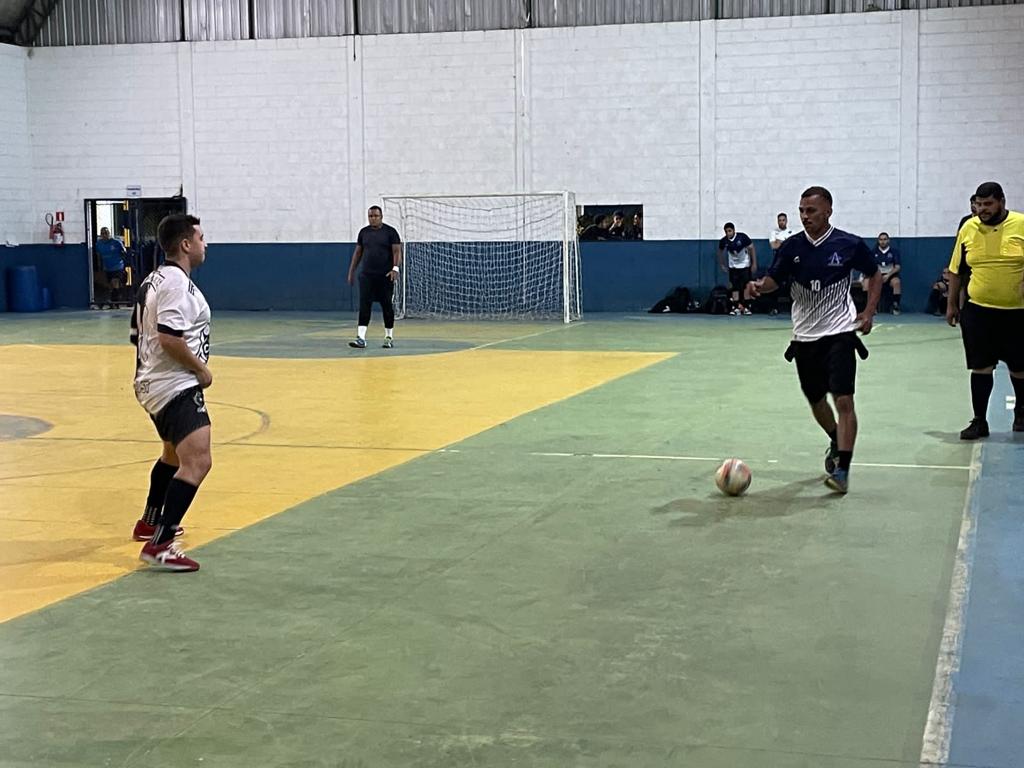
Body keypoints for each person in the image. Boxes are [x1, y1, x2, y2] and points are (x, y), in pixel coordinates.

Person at [747, 186, 881, 493]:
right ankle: (835, 438)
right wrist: (758, 286)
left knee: (843, 399)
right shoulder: (791, 247)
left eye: (811, 211)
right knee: (816, 400)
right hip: (804, 337)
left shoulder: (849, 244)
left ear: (828, 211)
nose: (805, 217)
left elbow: (874, 275)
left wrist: (869, 311)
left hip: (840, 332)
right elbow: (773, 281)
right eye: (802, 211)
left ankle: (843, 470)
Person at [130, 214, 212, 571]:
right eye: (201, 238)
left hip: (152, 382)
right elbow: (169, 338)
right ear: (186, 244)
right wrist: (200, 369)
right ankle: (161, 544)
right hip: (173, 384)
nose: (205, 245)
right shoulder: (177, 283)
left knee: (173, 455)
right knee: (198, 461)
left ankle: (150, 522)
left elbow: (138, 335)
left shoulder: (154, 279)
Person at [946, 181, 1024, 439]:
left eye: (988, 204)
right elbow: (956, 270)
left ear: (1002, 202)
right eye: (978, 204)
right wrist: (952, 305)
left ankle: (1021, 413)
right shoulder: (968, 228)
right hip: (979, 311)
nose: (982, 209)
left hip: (1017, 313)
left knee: (1019, 368)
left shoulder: (1021, 224)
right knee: (981, 367)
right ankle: (979, 420)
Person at [347, 206, 403, 349]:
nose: (373, 218)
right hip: (367, 276)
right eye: (370, 216)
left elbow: (397, 251)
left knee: (387, 306)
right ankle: (361, 338)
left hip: (385, 276)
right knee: (364, 306)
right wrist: (351, 271)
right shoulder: (364, 232)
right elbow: (358, 253)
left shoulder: (390, 232)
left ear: (381, 216)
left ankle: (388, 337)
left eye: (376, 216)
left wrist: (395, 268)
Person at [718, 222, 757, 315]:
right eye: (726, 231)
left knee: (746, 286)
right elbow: (720, 251)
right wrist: (722, 264)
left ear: (734, 230)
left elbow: (751, 248)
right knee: (734, 286)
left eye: (730, 231)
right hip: (733, 266)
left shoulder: (742, 237)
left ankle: (746, 307)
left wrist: (754, 263)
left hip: (744, 265)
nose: (728, 233)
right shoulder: (724, 241)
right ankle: (735, 307)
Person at [867, 232, 902, 314]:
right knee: (867, 283)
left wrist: (888, 275)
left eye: (885, 239)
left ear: (888, 240)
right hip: (877, 275)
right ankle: (872, 307)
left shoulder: (894, 252)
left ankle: (895, 306)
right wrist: (878, 276)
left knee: (896, 282)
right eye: (881, 239)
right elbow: (871, 267)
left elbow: (897, 267)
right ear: (878, 241)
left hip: (890, 275)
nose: (883, 241)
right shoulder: (873, 252)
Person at [95, 227, 127, 308]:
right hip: (107, 267)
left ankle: (115, 302)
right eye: (102, 233)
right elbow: (98, 256)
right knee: (110, 285)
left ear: (109, 233)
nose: (104, 235)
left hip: (117, 266)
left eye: (106, 233)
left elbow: (124, 252)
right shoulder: (99, 244)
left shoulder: (116, 242)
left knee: (115, 282)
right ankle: (113, 301)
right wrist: (99, 267)